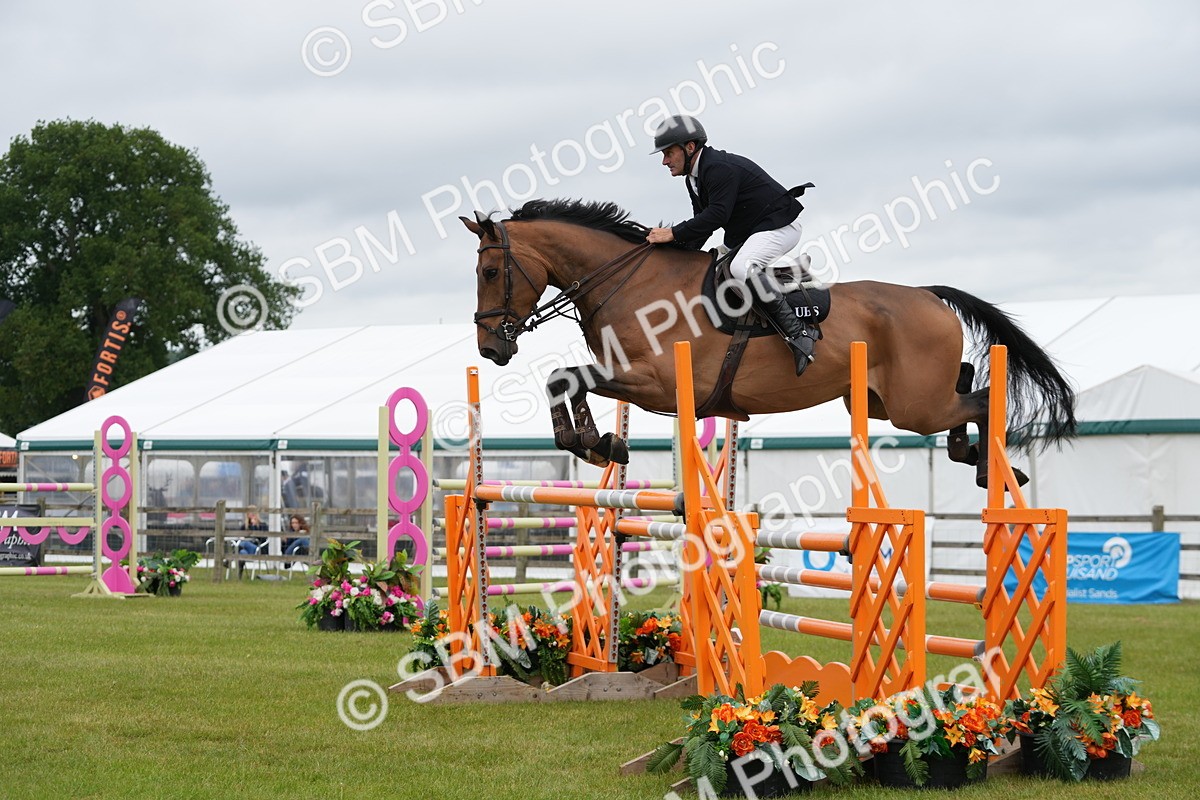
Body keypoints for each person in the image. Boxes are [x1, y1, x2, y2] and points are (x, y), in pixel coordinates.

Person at [646, 114, 818, 375]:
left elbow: (716, 216)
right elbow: (702, 224)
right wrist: (679, 254)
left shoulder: (717, 168)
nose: (664, 161)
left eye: (669, 153)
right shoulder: (693, 178)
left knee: (741, 268)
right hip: (753, 232)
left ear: (689, 147)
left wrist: (672, 233)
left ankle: (799, 332)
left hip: (780, 226)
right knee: (714, 265)